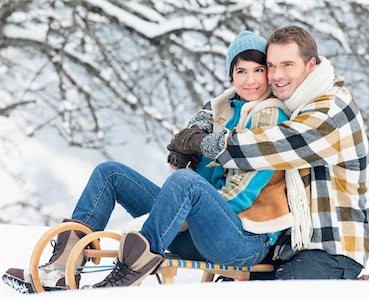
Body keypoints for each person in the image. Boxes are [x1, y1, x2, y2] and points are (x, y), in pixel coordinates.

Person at [2, 31, 295, 293]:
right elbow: (196, 182)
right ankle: (60, 269)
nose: (251, 80)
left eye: (259, 69)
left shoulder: (270, 118)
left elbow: (240, 197)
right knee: (110, 173)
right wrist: (188, 165)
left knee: (184, 184)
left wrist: (183, 204)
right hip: (197, 233)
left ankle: (130, 270)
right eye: (241, 71)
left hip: (240, 241)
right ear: (231, 76)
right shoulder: (219, 114)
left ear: (269, 74)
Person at [167, 25, 369, 280]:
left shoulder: (331, 110)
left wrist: (201, 143)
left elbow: (270, 145)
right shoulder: (296, 95)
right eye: (271, 66)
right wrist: (198, 126)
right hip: (289, 247)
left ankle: (360, 287)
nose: (276, 75)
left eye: (287, 64)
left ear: (310, 66)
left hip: (330, 248)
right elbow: (236, 96)